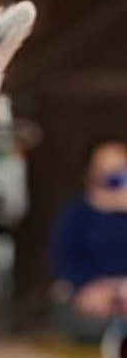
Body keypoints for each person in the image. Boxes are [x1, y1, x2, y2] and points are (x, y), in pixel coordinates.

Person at [49, 137, 127, 340]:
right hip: (91, 300)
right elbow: (64, 259)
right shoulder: (76, 214)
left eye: (121, 171)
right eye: (105, 171)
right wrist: (88, 288)